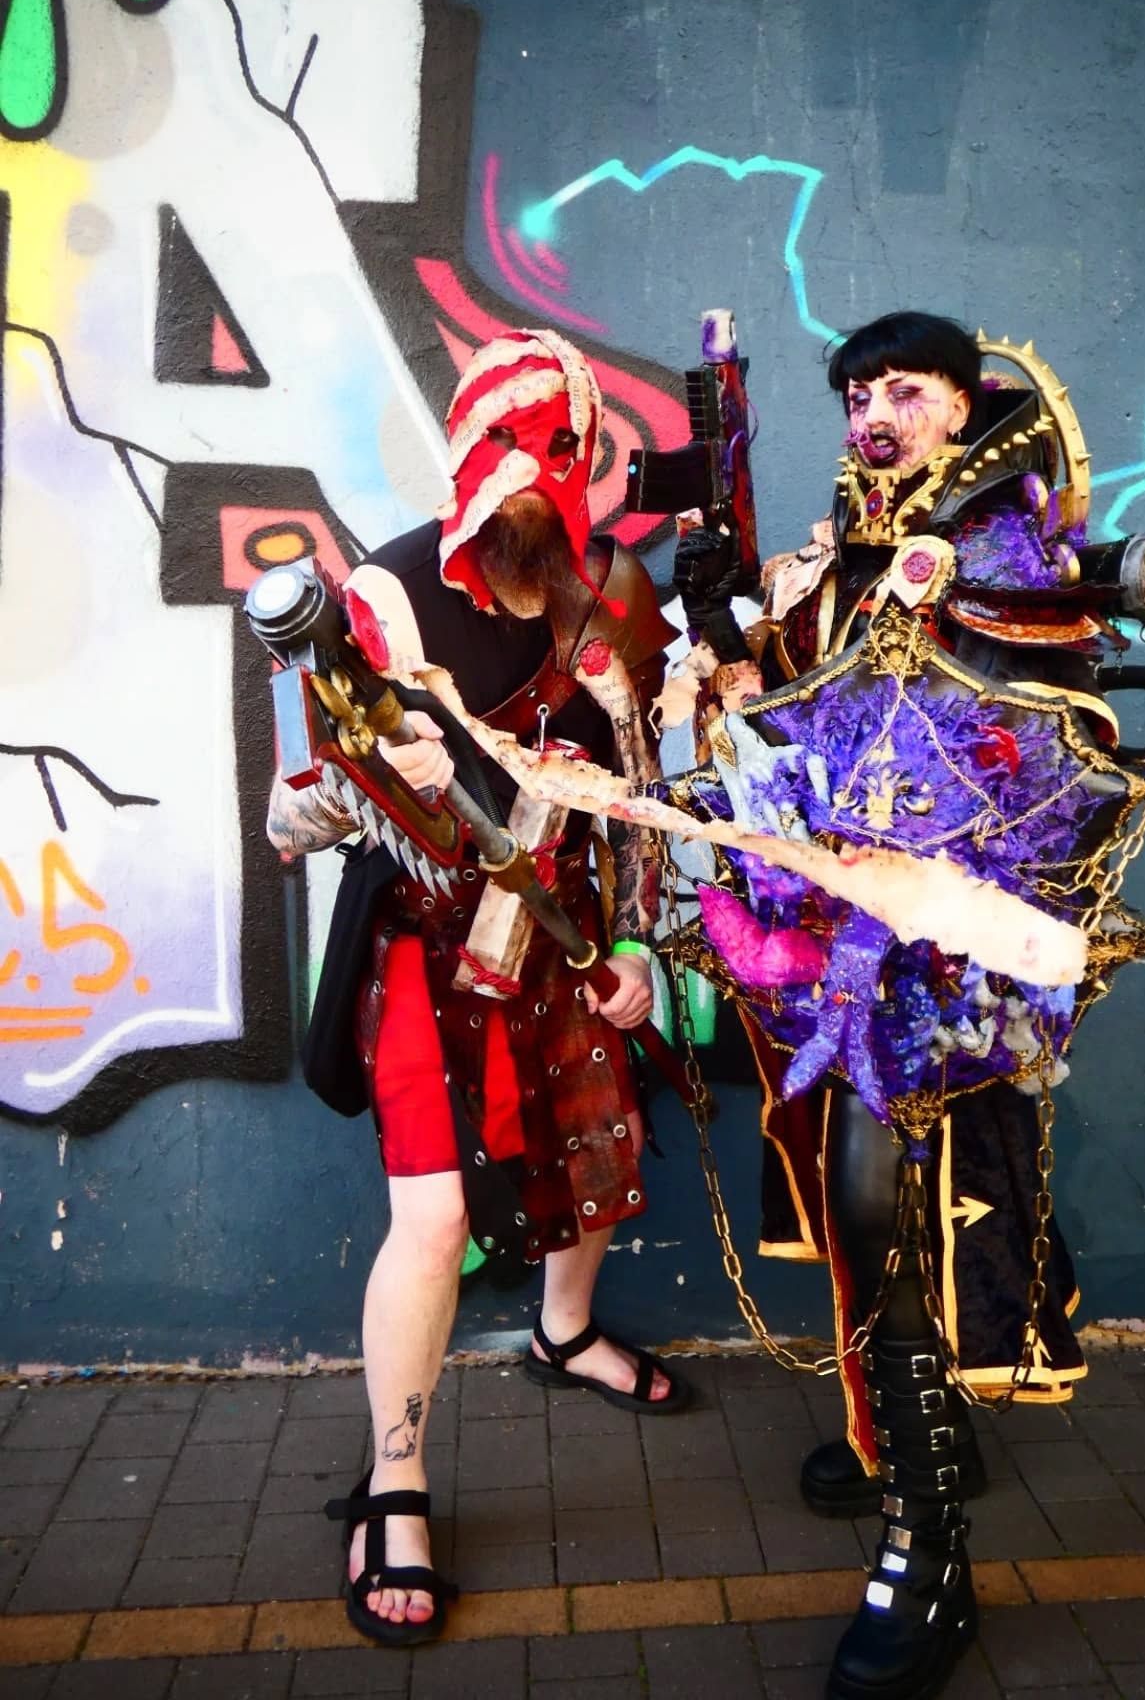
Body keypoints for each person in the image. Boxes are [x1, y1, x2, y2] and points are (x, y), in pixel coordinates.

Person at [670, 311, 1145, 1700]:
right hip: (834, 941)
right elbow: (784, 706)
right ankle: (913, 1447)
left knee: (893, 1218)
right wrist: (717, 617)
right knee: (862, 1218)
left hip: (951, 968)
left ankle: (929, 1546)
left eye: (903, 389)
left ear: (965, 406)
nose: (873, 413)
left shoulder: (1011, 562)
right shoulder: (850, 553)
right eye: (857, 392)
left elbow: (1045, 738)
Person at [266, 327, 687, 1648]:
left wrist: (638, 945)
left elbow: (643, 797)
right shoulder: (379, 603)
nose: (523, 479)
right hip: (424, 937)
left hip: (567, 928)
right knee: (438, 1217)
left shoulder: (614, 595)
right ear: (462, 449)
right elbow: (288, 819)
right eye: (501, 446)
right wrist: (359, 783)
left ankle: (563, 1332)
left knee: (598, 1145)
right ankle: (393, 1484)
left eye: (552, 452)